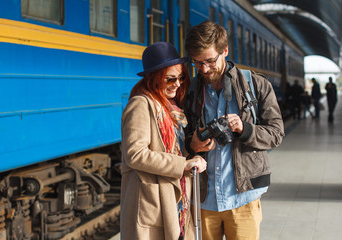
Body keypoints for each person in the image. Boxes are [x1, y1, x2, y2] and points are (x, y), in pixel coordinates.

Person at [183, 20, 284, 240]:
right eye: (197, 63)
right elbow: (178, 136)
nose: (204, 69)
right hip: (203, 199)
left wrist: (245, 129)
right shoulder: (190, 91)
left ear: (225, 51)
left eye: (210, 61)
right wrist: (191, 143)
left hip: (244, 198)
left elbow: (276, 133)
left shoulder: (256, 85)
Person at [120, 42, 207, 240]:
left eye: (181, 77)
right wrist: (183, 164)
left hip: (173, 198)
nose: (177, 84)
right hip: (152, 201)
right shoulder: (141, 105)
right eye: (170, 79)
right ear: (155, 78)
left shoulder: (171, 108)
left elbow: (172, 149)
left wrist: (192, 148)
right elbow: (135, 154)